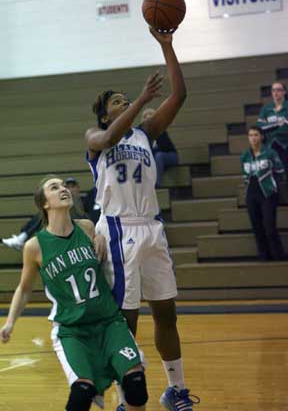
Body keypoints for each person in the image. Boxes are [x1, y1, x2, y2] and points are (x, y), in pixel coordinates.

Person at [85, 27, 199, 411]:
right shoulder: (95, 139)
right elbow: (107, 138)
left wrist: (167, 46)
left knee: (166, 312)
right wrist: (141, 101)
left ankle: (176, 390)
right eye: (118, 101)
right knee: (125, 322)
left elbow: (180, 95)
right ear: (105, 114)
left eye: (127, 98)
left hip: (152, 228)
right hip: (118, 231)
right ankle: (124, 399)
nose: (126, 102)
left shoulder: (146, 133)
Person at [0, 175, 148, 411]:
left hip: (109, 322)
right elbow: (24, 288)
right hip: (72, 330)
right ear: (45, 203)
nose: (63, 189)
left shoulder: (87, 228)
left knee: (136, 386)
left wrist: (100, 237)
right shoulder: (35, 246)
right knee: (81, 393)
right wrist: (10, 323)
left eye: (64, 185)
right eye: (54, 187)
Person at [1, 177, 100, 250]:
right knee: (45, 213)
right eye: (67, 186)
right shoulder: (59, 203)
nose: (68, 189)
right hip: (64, 224)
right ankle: (22, 237)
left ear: (78, 188)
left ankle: (22, 237)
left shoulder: (86, 200)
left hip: (84, 226)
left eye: (72, 186)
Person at [240, 126, 286, 261]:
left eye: (255, 135)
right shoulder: (244, 156)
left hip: (268, 194)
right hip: (251, 195)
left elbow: (280, 172)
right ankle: (264, 256)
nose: (253, 138)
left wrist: (272, 186)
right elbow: (245, 176)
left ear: (261, 137)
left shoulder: (270, 153)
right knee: (257, 227)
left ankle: (278, 256)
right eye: (250, 135)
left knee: (270, 227)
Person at [257, 82, 288, 178]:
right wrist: (276, 124)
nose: (276, 93)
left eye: (279, 90)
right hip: (270, 145)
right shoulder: (266, 109)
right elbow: (260, 126)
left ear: (284, 92)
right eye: (273, 90)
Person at [141, 108, 178, 188]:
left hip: (170, 156)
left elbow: (164, 148)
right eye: (145, 118)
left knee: (159, 156)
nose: (147, 120)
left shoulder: (161, 131)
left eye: (150, 118)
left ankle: (156, 184)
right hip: (156, 157)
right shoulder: (142, 136)